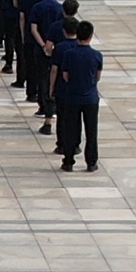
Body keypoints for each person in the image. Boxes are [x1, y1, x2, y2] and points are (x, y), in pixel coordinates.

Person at [50, 17, 103, 171]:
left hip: (72, 96)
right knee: (91, 131)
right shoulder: (97, 55)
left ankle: (68, 160)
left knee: (71, 129)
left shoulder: (69, 54)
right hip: (91, 98)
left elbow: (65, 75)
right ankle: (91, 161)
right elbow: (97, 77)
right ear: (91, 36)